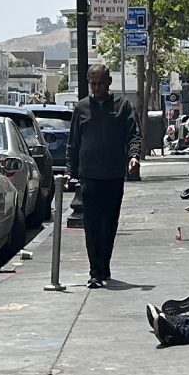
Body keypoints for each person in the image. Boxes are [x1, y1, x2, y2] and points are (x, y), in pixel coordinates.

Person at [69, 62, 141, 286]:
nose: (97, 88)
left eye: (101, 83)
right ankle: (94, 272)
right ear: (88, 83)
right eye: (93, 84)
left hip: (113, 175)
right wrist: (71, 173)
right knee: (91, 225)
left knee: (109, 224)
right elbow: (74, 142)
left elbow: (134, 135)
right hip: (89, 176)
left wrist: (134, 156)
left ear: (109, 82)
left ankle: (104, 267)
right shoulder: (81, 108)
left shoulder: (123, 106)